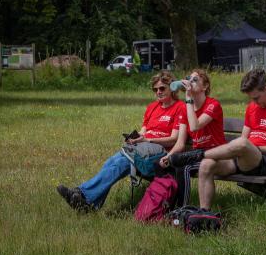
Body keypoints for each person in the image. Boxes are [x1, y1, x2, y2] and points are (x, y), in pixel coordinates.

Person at [168, 69, 266, 210]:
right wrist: (243, 148)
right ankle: (204, 213)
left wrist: (251, 148)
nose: (254, 101)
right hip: (241, 158)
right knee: (206, 165)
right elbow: (244, 137)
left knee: (242, 143)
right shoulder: (252, 108)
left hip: (264, 162)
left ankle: (197, 155)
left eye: (256, 97)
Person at [56, 70, 185, 210]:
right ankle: (88, 203)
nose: (158, 92)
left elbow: (174, 139)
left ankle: (83, 195)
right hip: (144, 148)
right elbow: (143, 131)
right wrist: (135, 139)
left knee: (124, 161)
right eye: (155, 89)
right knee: (111, 162)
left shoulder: (180, 107)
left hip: (162, 153)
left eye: (162, 88)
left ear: (172, 88)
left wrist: (147, 140)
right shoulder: (152, 107)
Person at [158, 69, 226, 207]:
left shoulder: (213, 105)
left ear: (205, 87)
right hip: (196, 154)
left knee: (184, 168)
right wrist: (169, 156)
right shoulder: (185, 109)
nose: (190, 82)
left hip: (215, 154)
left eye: (195, 80)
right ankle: (165, 208)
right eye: (189, 79)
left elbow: (195, 126)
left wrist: (188, 98)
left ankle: (182, 209)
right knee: (168, 163)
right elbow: (180, 143)